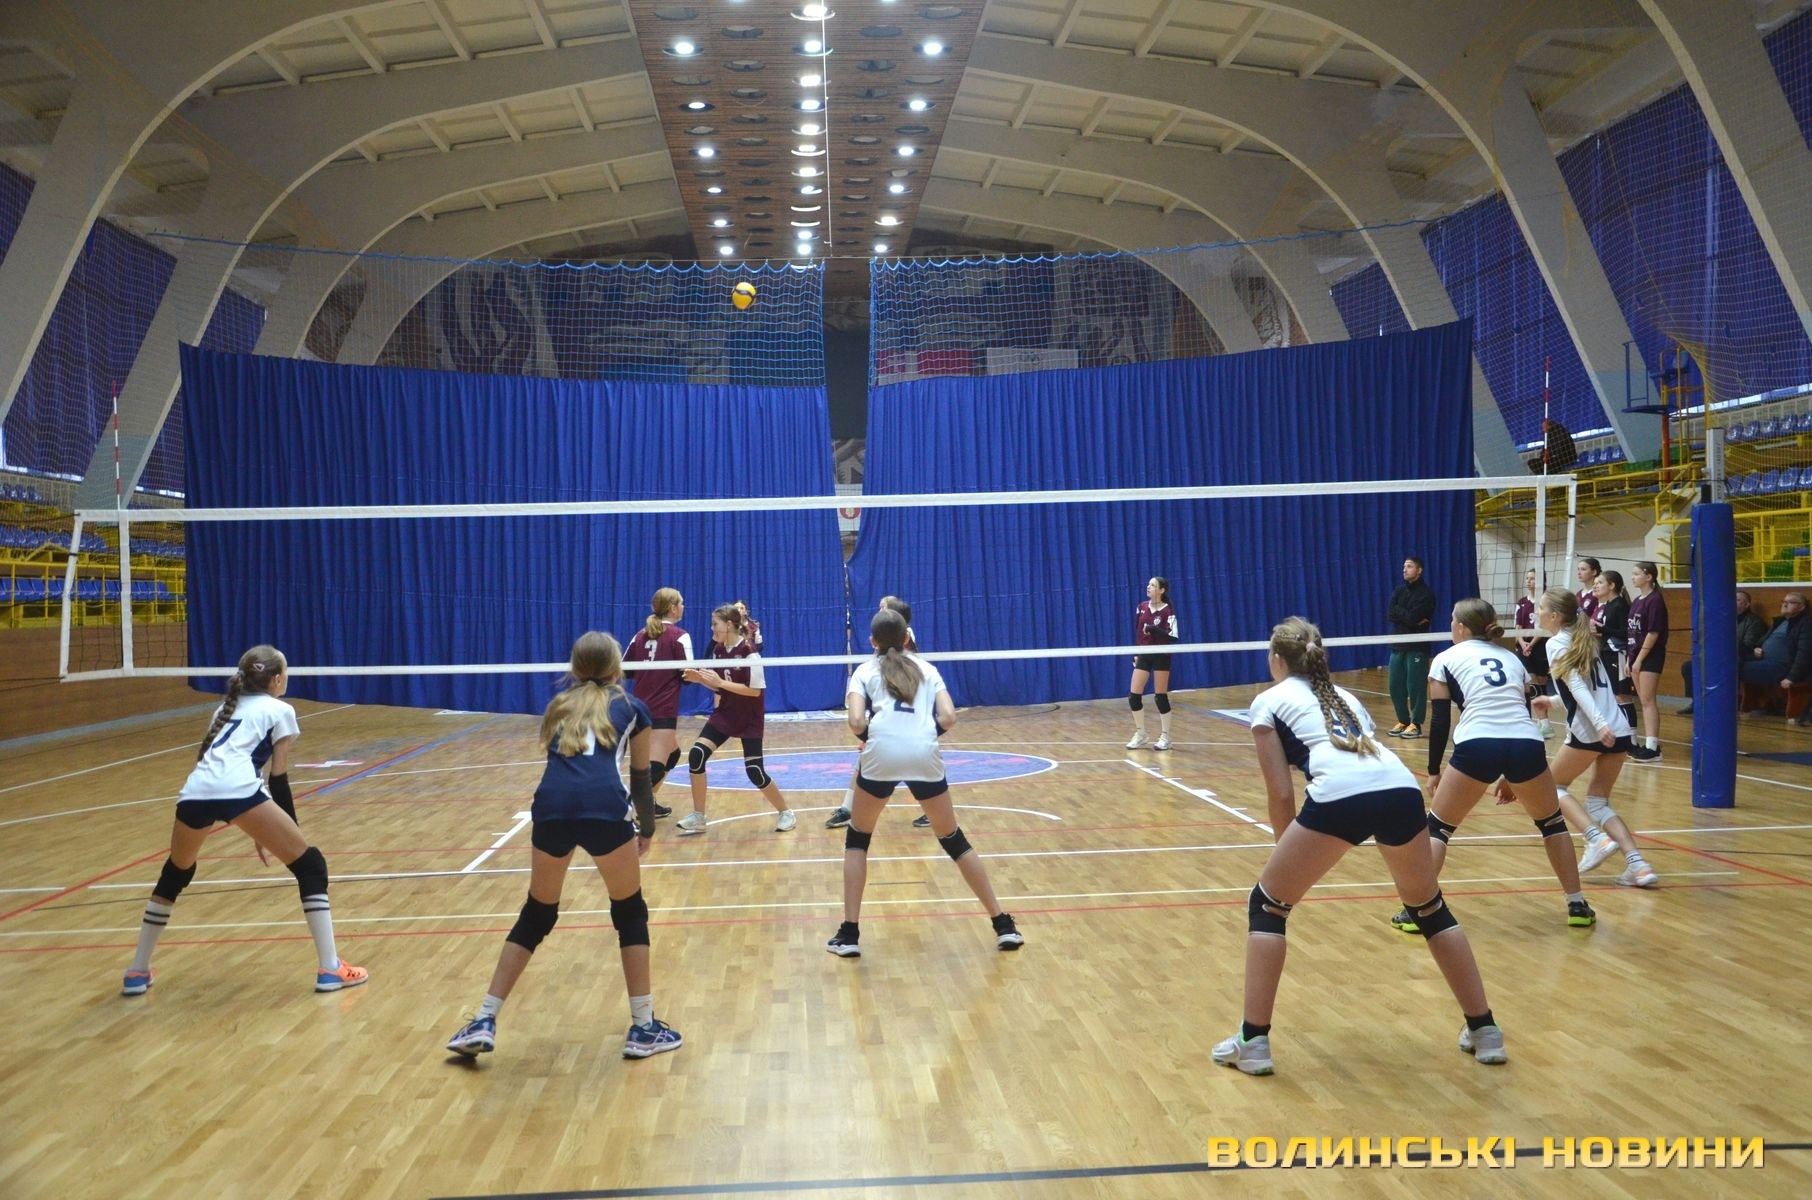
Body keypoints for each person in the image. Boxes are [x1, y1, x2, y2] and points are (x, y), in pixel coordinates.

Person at [1211, 618, 1504, 1077]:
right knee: (1429, 909)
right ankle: (1485, 1030)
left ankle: (1252, 1041)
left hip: (1341, 796)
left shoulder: (1267, 701)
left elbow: (1280, 793)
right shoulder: (1345, 696)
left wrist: (1285, 851)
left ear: (1276, 660)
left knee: (1267, 906)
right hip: (1399, 790)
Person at [444, 633, 680, 1060]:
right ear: (616, 667)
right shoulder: (633, 708)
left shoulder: (558, 706)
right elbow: (641, 780)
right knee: (630, 911)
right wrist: (646, 828)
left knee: (538, 913)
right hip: (603, 807)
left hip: (551, 806)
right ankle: (644, 1027)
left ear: (575, 668)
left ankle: (483, 1019)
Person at [121, 646, 368, 997]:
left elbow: (231, 768)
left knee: (176, 872)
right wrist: (289, 832)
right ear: (277, 679)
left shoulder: (224, 708)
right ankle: (330, 968)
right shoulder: (281, 710)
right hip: (238, 792)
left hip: (195, 792)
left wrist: (264, 827)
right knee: (310, 866)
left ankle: (137, 971)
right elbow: (278, 778)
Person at [1388, 600, 1595, 933]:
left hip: (1478, 745)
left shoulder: (1444, 659)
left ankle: (1417, 912)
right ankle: (1577, 904)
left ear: (1460, 627)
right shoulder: (1513, 659)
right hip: (1525, 745)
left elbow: (1439, 721)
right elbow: (1520, 711)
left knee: (1438, 828)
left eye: (1452, 620)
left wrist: (1434, 770)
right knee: (1552, 824)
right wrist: (1512, 775)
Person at [827, 609, 1023, 957]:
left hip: (881, 753)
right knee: (953, 839)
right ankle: (1003, 925)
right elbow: (948, 716)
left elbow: (855, 721)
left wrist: (878, 738)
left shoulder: (864, 671)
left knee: (858, 839)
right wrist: (922, 737)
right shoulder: (927, 669)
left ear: (871, 641)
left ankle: (849, 934)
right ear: (907, 638)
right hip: (924, 752)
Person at [1537, 589, 1658, 888]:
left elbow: (1578, 687)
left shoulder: (1556, 643)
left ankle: (1595, 839)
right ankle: (1638, 866)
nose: (1537, 613)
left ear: (1555, 616)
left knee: (1552, 787)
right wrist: (1553, 701)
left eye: (1541, 608)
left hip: (1592, 730)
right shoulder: (1584, 640)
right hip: (1619, 728)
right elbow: (1590, 689)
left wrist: (1599, 724)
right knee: (1598, 802)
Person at [675, 603, 795, 834]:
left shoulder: (750, 652)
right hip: (726, 713)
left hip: (749, 717)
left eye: (715, 624)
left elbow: (755, 691)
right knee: (697, 755)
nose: (712, 629)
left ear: (729, 625)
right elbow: (720, 688)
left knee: (754, 771)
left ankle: (785, 811)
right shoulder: (719, 651)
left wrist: (720, 682)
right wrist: (700, 680)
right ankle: (699, 816)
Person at [826, 596, 919, 830]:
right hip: (885, 714)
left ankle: (852, 813)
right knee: (881, 762)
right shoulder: (883, 647)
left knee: (910, 764)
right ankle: (847, 809)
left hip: (899, 716)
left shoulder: (905, 643)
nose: (878, 613)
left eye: (883, 609)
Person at [625, 588, 692, 818]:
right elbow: (687, 675)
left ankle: (649, 803)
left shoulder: (640, 635)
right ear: (672, 608)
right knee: (654, 767)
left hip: (640, 707)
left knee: (672, 755)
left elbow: (625, 669)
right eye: (681, 603)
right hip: (663, 709)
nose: (683, 607)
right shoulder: (680, 636)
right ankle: (623, 811)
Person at [1681, 590, 1768, 715]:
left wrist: (1725, 639)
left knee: (1730, 664)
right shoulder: (1724, 619)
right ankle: (1696, 701)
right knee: (1689, 666)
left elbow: (1748, 646)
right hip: (1719, 654)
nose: (1733, 602)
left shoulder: (1754, 622)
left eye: (1738, 600)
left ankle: (1728, 702)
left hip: (1741, 655)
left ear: (1747, 604)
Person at [1126, 576, 1179, 751]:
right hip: (1144, 654)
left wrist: (1154, 629)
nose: (1148, 587)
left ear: (1161, 590)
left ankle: (1165, 736)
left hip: (1161, 655)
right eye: (1148, 584)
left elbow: (1173, 637)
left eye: (1153, 585)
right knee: (1134, 696)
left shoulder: (1168, 611)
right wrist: (1135, 653)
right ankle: (1141, 734)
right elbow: (1138, 632)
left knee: (1160, 697)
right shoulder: (1141, 607)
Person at [1386, 557, 1436, 738]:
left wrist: (1404, 614)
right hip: (1398, 644)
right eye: (1404, 566)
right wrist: (1409, 617)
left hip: (1417, 645)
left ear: (1419, 570)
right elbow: (1390, 614)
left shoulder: (1426, 594)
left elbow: (1411, 617)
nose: (1405, 570)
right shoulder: (1399, 590)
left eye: (1409, 566)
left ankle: (1416, 724)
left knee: (1416, 686)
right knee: (1395, 686)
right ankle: (1403, 721)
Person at [1741, 592, 1812, 718]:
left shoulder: (1805, 625)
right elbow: (1761, 641)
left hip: (1781, 667)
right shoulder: (1780, 621)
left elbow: (1804, 654)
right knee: (1731, 659)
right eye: (1783, 601)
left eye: (1790, 602)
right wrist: (1757, 647)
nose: (1785, 604)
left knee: (1734, 668)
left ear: (1801, 607)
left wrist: (1791, 677)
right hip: (1762, 660)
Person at [1625, 561, 1669, 759]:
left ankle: (1653, 747)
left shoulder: (1655, 600)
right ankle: (1648, 745)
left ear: (1649, 576)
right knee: (1643, 701)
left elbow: (1653, 633)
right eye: (1632, 574)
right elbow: (1632, 633)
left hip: (1650, 655)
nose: (1633, 577)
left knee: (1648, 700)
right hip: (1635, 656)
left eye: (1636, 574)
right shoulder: (1636, 601)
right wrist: (1629, 659)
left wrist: (1639, 659)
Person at [1593, 570, 1640, 733]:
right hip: (1607, 652)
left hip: (1618, 653)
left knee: (1622, 695)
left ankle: (1631, 738)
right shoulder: (1608, 605)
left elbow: (1625, 632)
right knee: (1614, 695)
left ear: (1612, 585)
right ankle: (1620, 733)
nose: (1596, 586)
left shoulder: (1620, 605)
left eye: (1600, 583)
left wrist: (1602, 629)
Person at [1512, 567, 1554, 738]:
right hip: (1524, 647)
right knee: (1531, 684)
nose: (1528, 581)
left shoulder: (1546, 602)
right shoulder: (1522, 602)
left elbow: (1544, 626)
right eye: (1527, 578)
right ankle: (1541, 723)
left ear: (1541, 581)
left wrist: (1531, 644)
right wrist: (1523, 643)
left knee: (1542, 684)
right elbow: (1517, 626)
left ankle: (1544, 724)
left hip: (1541, 646)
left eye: (1532, 578)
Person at [1575, 557, 1602, 624]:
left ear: (1594, 572)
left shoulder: (1599, 593)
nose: (1579, 573)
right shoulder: (1578, 594)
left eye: (1583, 569)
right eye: (1578, 569)